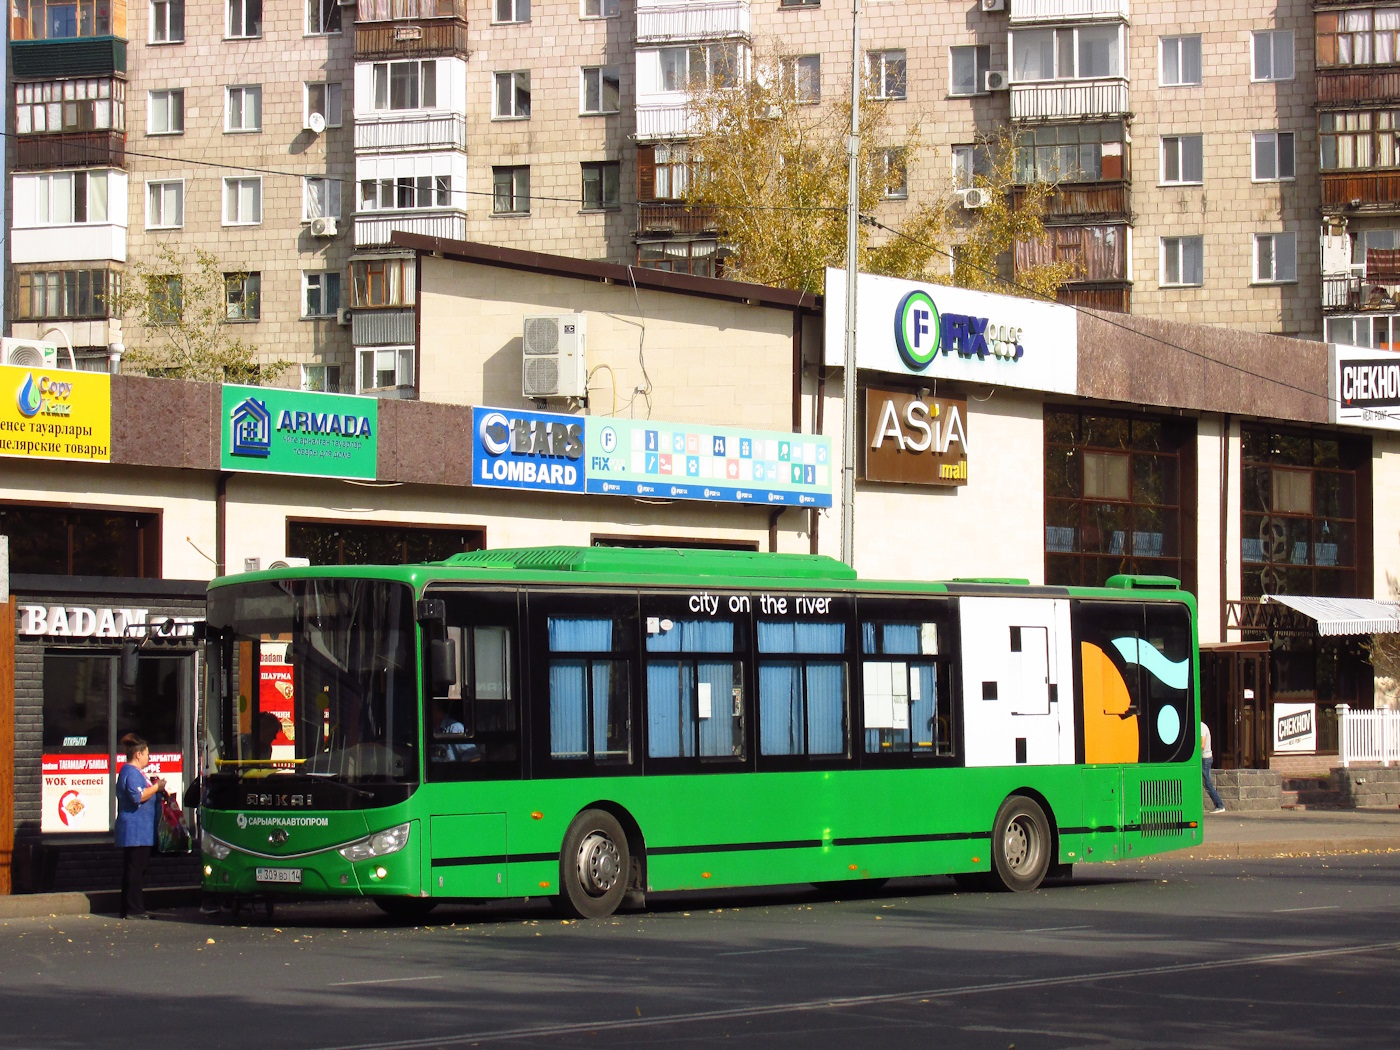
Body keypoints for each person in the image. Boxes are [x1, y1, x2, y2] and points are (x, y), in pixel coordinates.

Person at [115, 733, 166, 919]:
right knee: (135, 869)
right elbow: (138, 796)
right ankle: (133, 908)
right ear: (138, 754)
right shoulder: (130, 772)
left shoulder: (136, 773)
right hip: (135, 831)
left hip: (141, 831)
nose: (148, 757)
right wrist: (156, 787)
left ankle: (128, 907)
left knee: (136, 868)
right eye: (146, 754)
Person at [1201, 721, 1225, 814]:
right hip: (1204, 758)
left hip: (1205, 758)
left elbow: (1202, 745)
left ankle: (1219, 805)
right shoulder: (1200, 726)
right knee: (1204, 782)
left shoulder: (1201, 727)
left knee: (1207, 783)